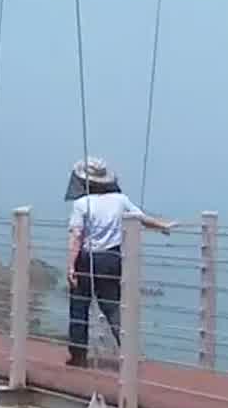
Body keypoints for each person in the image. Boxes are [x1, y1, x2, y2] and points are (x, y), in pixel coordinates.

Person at [62, 157, 176, 367]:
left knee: (79, 307)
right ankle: (130, 352)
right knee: (113, 307)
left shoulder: (81, 204)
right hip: (112, 259)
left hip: (87, 259)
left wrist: (71, 265)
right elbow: (140, 218)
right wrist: (162, 226)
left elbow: (76, 236)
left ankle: (78, 356)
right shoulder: (119, 199)